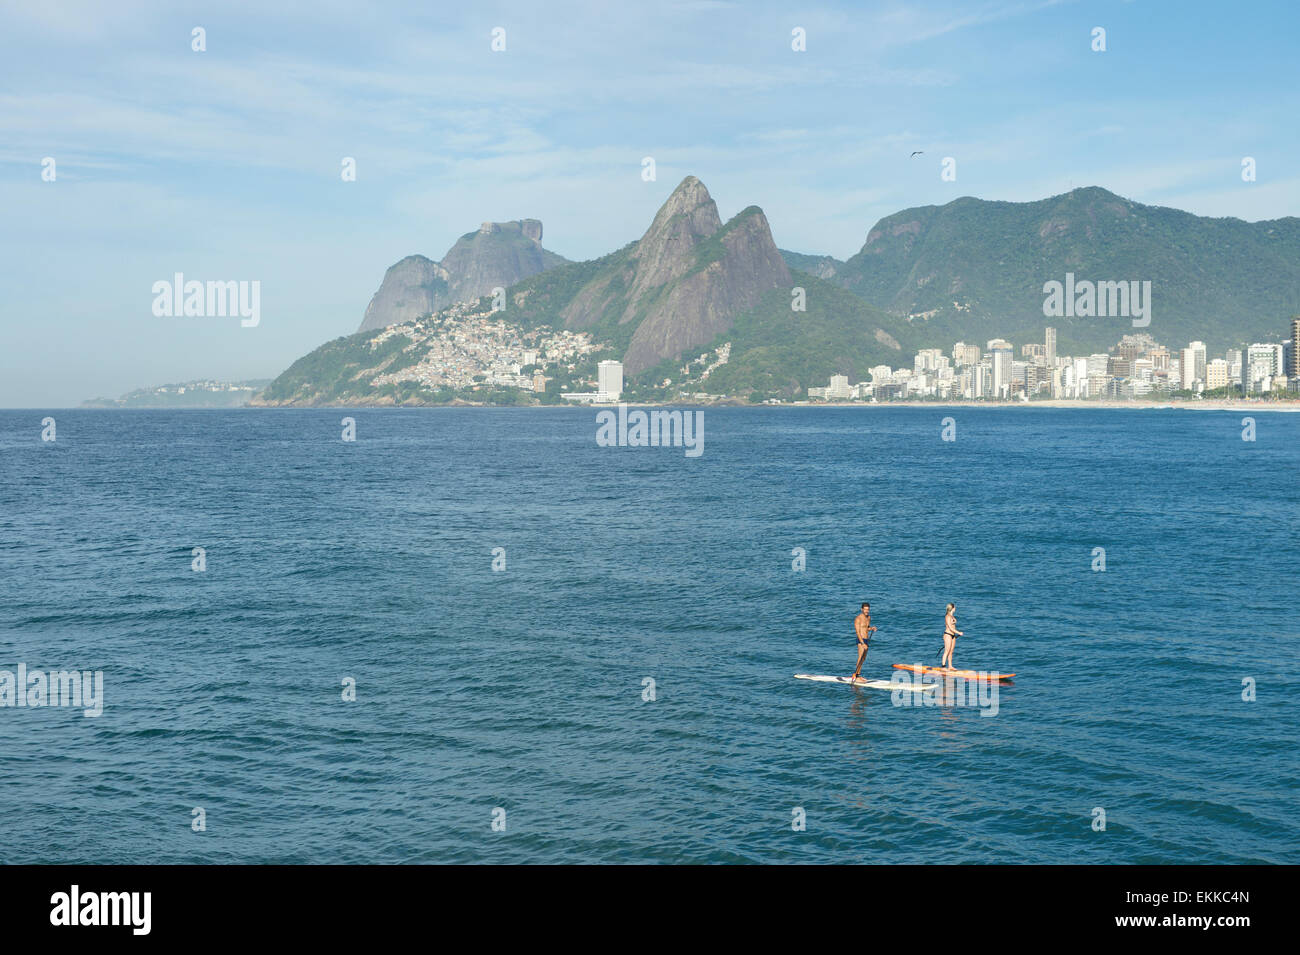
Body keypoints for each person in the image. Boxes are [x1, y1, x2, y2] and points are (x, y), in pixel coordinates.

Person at [850, 602, 877, 682]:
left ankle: (858, 674)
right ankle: (856, 676)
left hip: (866, 639)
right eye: (865, 609)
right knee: (860, 657)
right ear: (862, 609)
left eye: (868, 609)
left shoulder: (868, 617)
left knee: (863, 658)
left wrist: (872, 628)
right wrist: (862, 643)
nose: (866, 611)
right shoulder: (858, 618)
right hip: (860, 640)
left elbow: (866, 628)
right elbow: (858, 632)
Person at [940, 602, 963, 670]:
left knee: (951, 651)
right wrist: (959, 632)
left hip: (953, 635)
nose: (955, 608)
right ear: (952, 608)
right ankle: (943, 667)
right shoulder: (947, 616)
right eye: (955, 607)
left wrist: (956, 633)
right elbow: (950, 628)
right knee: (946, 651)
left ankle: (950, 666)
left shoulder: (952, 616)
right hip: (948, 635)